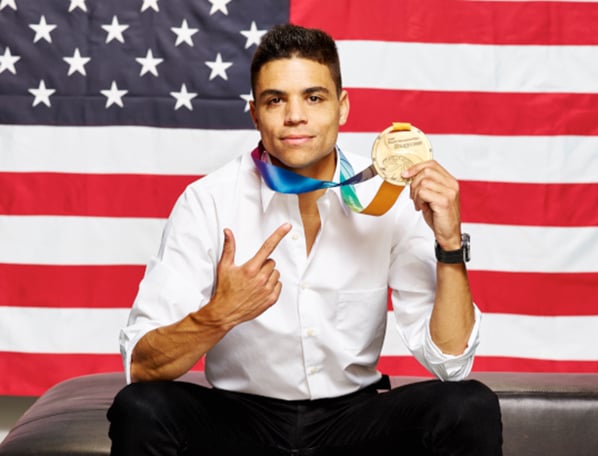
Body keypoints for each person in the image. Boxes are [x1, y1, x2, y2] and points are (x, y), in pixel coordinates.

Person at [107, 23, 502, 455]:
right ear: (255, 113)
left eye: (313, 97)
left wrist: (448, 246)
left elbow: (450, 361)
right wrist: (218, 315)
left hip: (353, 422)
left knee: (468, 405)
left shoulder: (390, 197)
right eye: (276, 100)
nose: (295, 115)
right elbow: (142, 366)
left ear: (342, 106)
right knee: (141, 407)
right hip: (239, 421)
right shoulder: (208, 201)